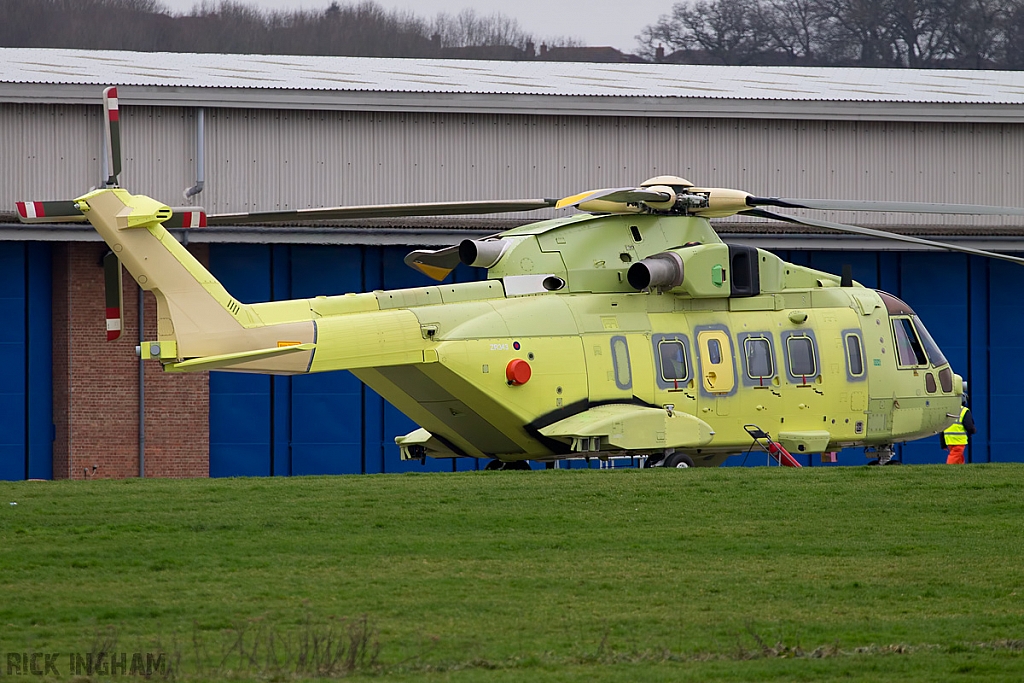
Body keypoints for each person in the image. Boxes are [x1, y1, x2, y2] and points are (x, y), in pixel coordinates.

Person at [941, 396, 976, 464]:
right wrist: (973, 431)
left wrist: (943, 444)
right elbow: (969, 425)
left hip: (949, 440)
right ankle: (948, 469)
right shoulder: (964, 411)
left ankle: (961, 469)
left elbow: (941, 427)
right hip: (959, 440)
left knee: (959, 457)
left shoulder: (947, 410)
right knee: (954, 455)